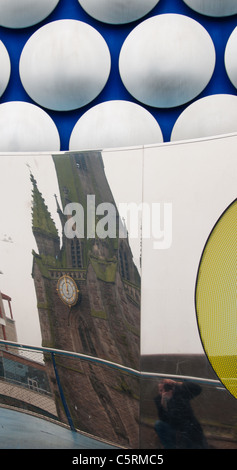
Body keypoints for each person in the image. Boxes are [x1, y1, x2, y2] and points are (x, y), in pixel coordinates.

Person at [154, 378, 207, 449]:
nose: (163, 392)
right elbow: (163, 419)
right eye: (160, 390)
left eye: (166, 389)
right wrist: (164, 404)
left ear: (172, 389)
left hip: (189, 428)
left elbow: (198, 389)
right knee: (159, 424)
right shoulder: (159, 399)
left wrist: (176, 383)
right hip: (173, 429)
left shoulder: (180, 393)